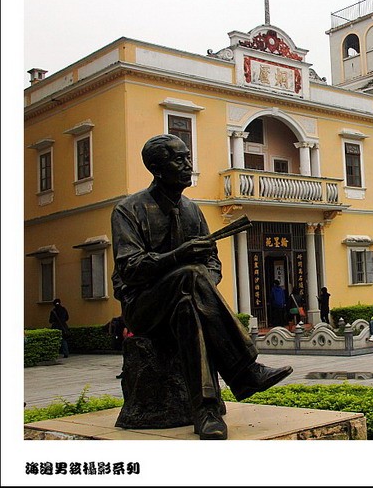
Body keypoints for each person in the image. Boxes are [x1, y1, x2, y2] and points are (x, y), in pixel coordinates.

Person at [111, 134, 292, 440]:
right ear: (156, 168)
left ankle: (206, 412)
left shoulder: (192, 210)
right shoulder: (128, 210)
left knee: (188, 306)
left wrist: (203, 279)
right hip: (143, 307)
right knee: (190, 275)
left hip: (184, 300)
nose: (188, 165)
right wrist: (179, 257)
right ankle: (244, 371)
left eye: (188, 157)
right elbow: (129, 269)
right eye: (178, 159)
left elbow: (213, 262)